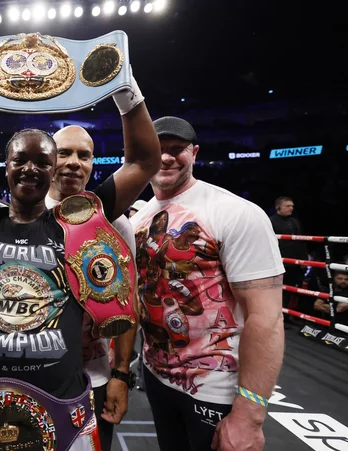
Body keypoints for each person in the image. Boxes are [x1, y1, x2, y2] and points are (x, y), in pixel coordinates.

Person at [0, 57, 160, 449]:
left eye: (42, 162)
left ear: (54, 170)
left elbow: (143, 162)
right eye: (21, 159)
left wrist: (127, 89)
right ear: (6, 166)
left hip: (61, 405)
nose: (31, 169)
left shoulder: (79, 223)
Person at [129, 116, 285, 451]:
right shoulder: (139, 220)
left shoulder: (235, 213)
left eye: (177, 149)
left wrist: (250, 414)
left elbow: (266, 317)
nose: (167, 157)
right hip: (156, 376)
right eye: (159, 149)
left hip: (215, 385)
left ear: (195, 153)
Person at [46, 125, 141, 451]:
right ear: (48, 160)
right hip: (32, 374)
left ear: (92, 164)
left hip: (93, 377)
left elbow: (128, 303)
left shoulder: (115, 223)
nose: (74, 162)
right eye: (64, 153)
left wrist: (121, 374)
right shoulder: (25, 214)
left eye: (83, 155)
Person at [269, 196, 309, 313]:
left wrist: (304, 259)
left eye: (292, 206)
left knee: (292, 290)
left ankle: (288, 315)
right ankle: (278, 316)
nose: (291, 208)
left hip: (295, 262)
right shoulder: (270, 221)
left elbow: (301, 241)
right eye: (288, 206)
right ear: (278, 207)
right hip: (279, 262)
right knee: (279, 291)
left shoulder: (295, 221)